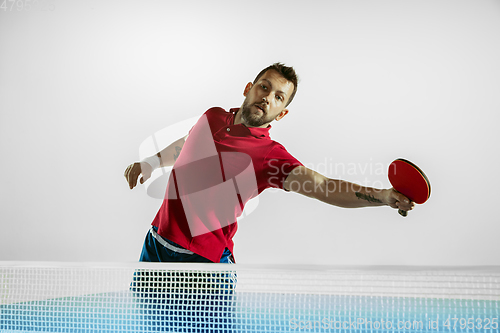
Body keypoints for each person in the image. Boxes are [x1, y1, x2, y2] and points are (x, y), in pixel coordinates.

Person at [124, 63, 415, 265]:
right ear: (248, 88)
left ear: (282, 113)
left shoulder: (268, 155)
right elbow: (186, 143)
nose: (267, 98)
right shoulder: (212, 116)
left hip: (203, 266)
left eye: (278, 97)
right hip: (155, 246)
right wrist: (151, 163)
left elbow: (323, 187)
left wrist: (383, 197)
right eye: (264, 87)